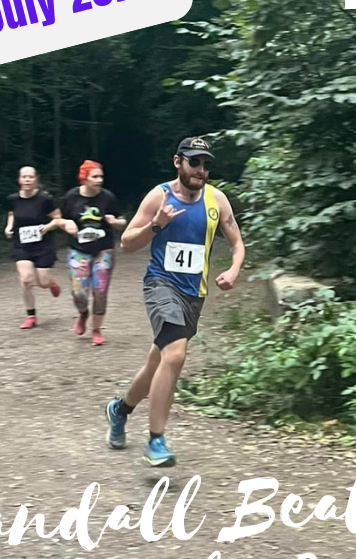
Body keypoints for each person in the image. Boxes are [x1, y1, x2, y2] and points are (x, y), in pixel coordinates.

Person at [104, 137, 245, 466]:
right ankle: (156, 440)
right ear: (177, 162)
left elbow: (237, 244)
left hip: (194, 294)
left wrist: (234, 269)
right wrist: (156, 225)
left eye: (206, 164)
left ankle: (120, 410)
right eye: (194, 162)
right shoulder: (160, 196)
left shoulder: (217, 200)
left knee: (158, 362)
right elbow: (126, 243)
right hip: (160, 285)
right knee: (177, 354)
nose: (201, 170)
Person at [60, 160, 127, 346]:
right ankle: (83, 313)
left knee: (100, 290)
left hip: (103, 249)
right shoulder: (71, 197)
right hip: (78, 249)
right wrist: (67, 224)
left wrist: (116, 222)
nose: (99, 180)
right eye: (95, 177)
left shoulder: (108, 198)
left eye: (101, 176)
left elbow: (122, 221)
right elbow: (60, 219)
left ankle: (96, 329)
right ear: (84, 178)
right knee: (79, 293)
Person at [4, 166, 62, 329]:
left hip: (43, 245)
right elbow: (11, 214)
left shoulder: (45, 200)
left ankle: (51, 283)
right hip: (22, 244)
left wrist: (48, 227)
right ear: (19, 180)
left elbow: (58, 219)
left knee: (42, 282)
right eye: (24, 177)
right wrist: (9, 227)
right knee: (26, 279)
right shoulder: (13, 199)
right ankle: (31, 315)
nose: (27, 180)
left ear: (36, 179)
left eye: (30, 177)